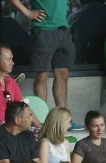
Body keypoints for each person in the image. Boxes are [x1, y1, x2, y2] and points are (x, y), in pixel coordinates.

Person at [6, 0, 80, 130]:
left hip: (63, 29)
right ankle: (43, 120)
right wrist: (28, 13)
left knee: (63, 75)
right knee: (42, 76)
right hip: (43, 30)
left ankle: (63, 120)